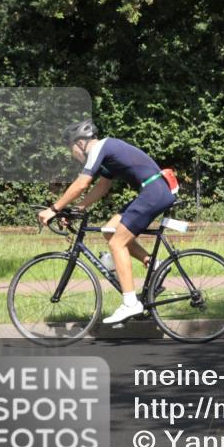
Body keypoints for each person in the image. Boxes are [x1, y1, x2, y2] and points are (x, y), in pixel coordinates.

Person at [38, 120, 176, 324]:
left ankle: (130, 303)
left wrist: (54, 209)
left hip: (154, 191)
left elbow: (83, 183)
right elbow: (102, 186)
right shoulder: (106, 153)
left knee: (116, 243)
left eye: (70, 148)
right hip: (153, 190)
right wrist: (77, 209)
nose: (71, 154)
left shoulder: (100, 147)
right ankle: (155, 264)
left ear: (80, 143)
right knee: (110, 230)